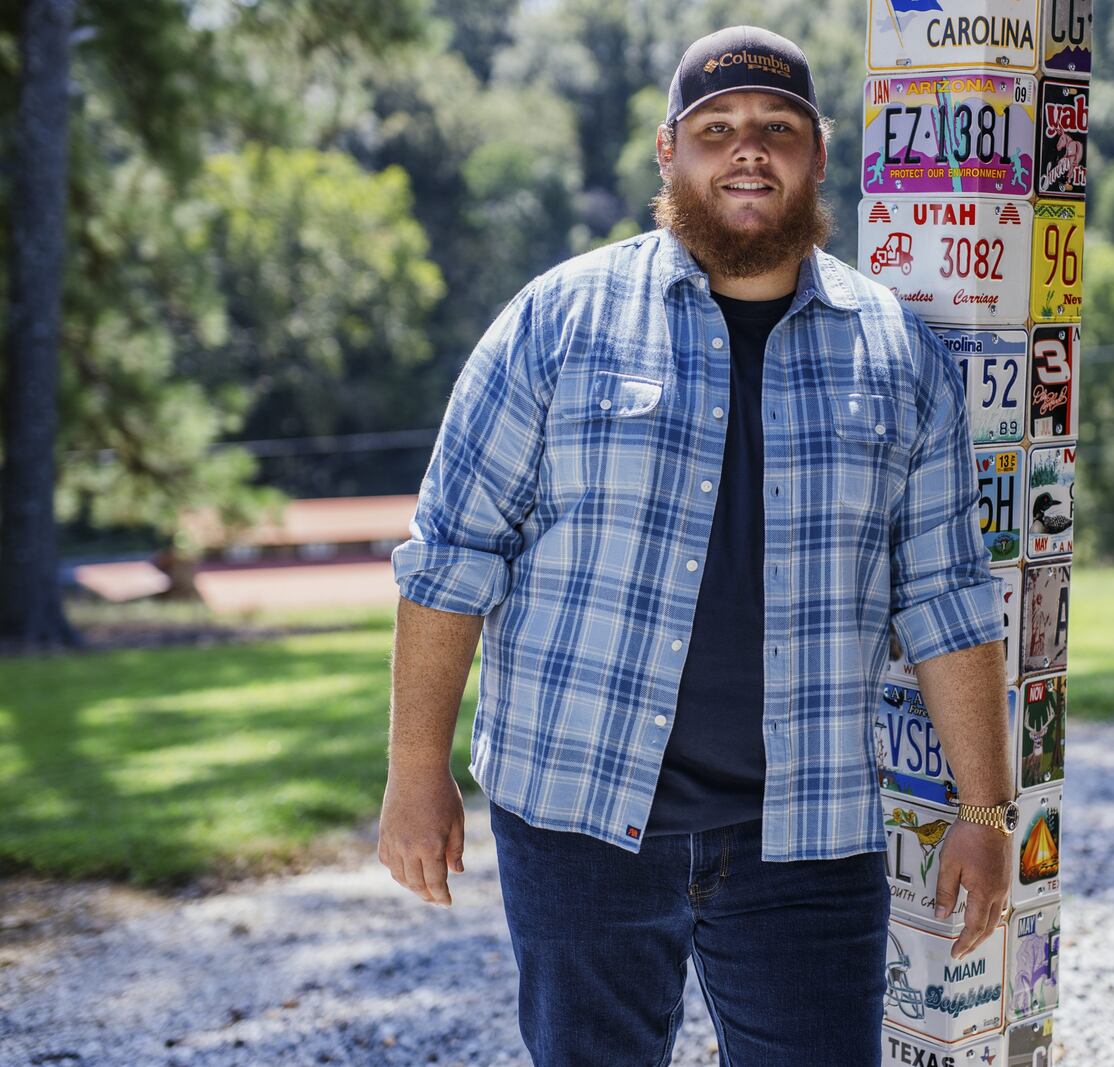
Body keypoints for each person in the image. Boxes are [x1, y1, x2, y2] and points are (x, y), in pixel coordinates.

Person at [380, 24, 1016, 1067]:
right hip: (576, 813)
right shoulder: (557, 321)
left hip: (807, 829)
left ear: (817, 154)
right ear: (669, 153)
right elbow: (449, 558)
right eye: (716, 129)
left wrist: (985, 810)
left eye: (776, 127)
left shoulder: (896, 351)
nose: (746, 150)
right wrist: (416, 774)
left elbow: (946, 598)